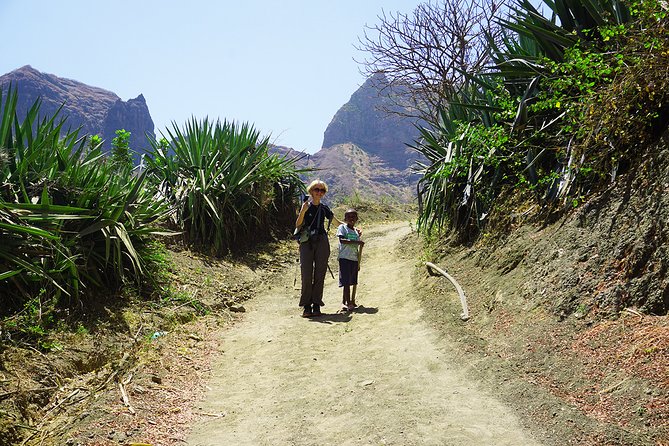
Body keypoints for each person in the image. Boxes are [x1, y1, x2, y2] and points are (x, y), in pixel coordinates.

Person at [295, 180, 340, 318]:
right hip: (306, 241)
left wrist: (352, 229)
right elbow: (298, 224)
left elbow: (336, 222)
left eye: (322, 190)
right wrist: (302, 211)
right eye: (316, 189)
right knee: (306, 272)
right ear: (311, 191)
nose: (319, 192)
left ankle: (316, 304)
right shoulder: (305, 206)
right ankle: (306, 305)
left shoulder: (324, 208)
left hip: (321, 241)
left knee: (320, 273)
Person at [336, 208, 364, 312]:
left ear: (356, 219)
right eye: (349, 217)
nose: (351, 219)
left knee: (351, 281)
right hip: (344, 258)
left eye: (353, 217)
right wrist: (357, 243)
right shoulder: (342, 228)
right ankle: (349, 303)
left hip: (354, 259)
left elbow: (357, 240)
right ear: (345, 219)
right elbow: (342, 240)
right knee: (346, 282)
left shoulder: (356, 231)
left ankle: (345, 302)